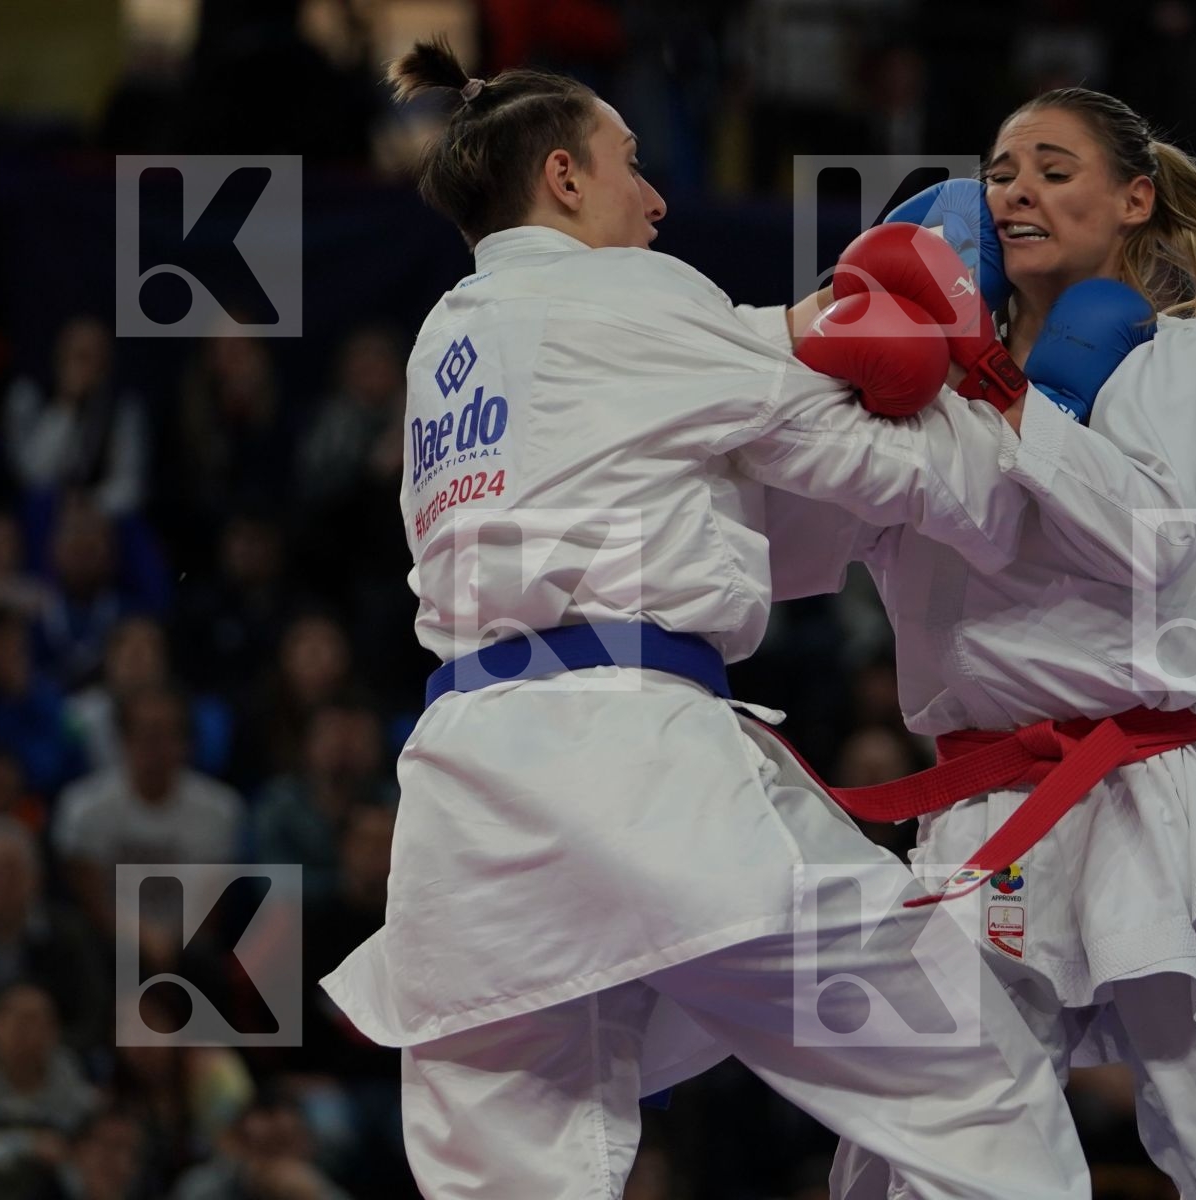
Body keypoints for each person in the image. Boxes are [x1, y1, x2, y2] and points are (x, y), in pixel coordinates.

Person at [319, 39, 1089, 1200]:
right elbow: (850, 441)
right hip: (635, 768)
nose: (662, 195)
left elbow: (692, 442)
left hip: (467, 804)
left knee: (510, 1176)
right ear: (566, 180)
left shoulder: (447, 340)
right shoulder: (633, 290)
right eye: (633, 163)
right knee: (963, 1073)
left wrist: (817, 326)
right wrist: (1006, 415)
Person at [762, 88, 1196, 1197]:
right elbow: (791, 557)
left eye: (1053, 167)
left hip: (1170, 798)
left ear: (1136, 199)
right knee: (922, 1154)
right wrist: (835, 341)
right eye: (999, 172)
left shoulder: (1187, 362)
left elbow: (1148, 539)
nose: (1018, 189)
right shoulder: (924, 396)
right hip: (990, 811)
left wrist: (1004, 390)